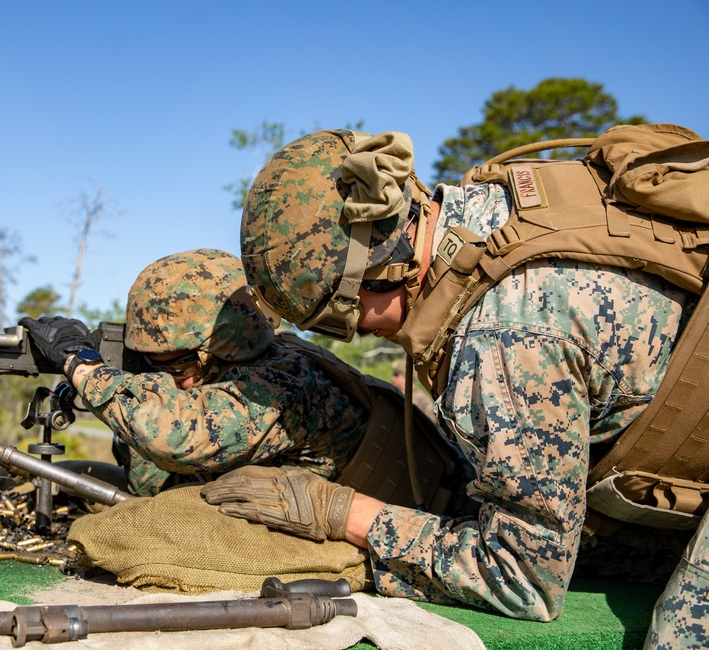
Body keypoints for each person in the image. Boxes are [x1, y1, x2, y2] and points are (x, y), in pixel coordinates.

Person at [199, 129, 704, 646]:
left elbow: (522, 579)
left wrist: (344, 513)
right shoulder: (483, 211)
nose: (350, 331)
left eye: (334, 315)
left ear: (380, 267)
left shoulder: (504, 333)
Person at [17, 249, 373, 497]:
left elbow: (171, 436)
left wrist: (82, 364)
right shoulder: (232, 370)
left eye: (175, 365)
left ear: (219, 350)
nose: (168, 380)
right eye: (152, 362)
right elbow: (150, 487)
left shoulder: (282, 381)